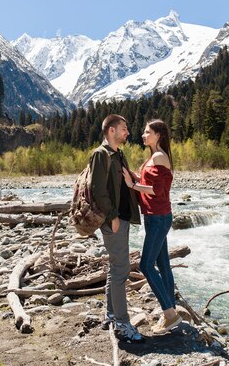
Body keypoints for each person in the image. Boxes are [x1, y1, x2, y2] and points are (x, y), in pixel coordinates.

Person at [122, 119, 182, 335]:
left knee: (146, 266)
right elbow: (152, 184)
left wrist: (133, 185)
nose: (143, 135)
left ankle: (170, 315)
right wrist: (133, 176)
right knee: (163, 263)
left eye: (147, 132)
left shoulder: (158, 157)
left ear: (159, 135)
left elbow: (157, 190)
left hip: (158, 218)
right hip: (157, 217)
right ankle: (171, 311)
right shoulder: (155, 157)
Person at [90, 114, 144, 343]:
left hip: (121, 218)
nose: (127, 132)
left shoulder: (118, 154)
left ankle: (111, 314)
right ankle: (122, 323)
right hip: (113, 220)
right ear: (111, 131)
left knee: (116, 267)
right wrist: (112, 217)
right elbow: (97, 189)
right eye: (124, 128)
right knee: (121, 269)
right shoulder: (100, 155)